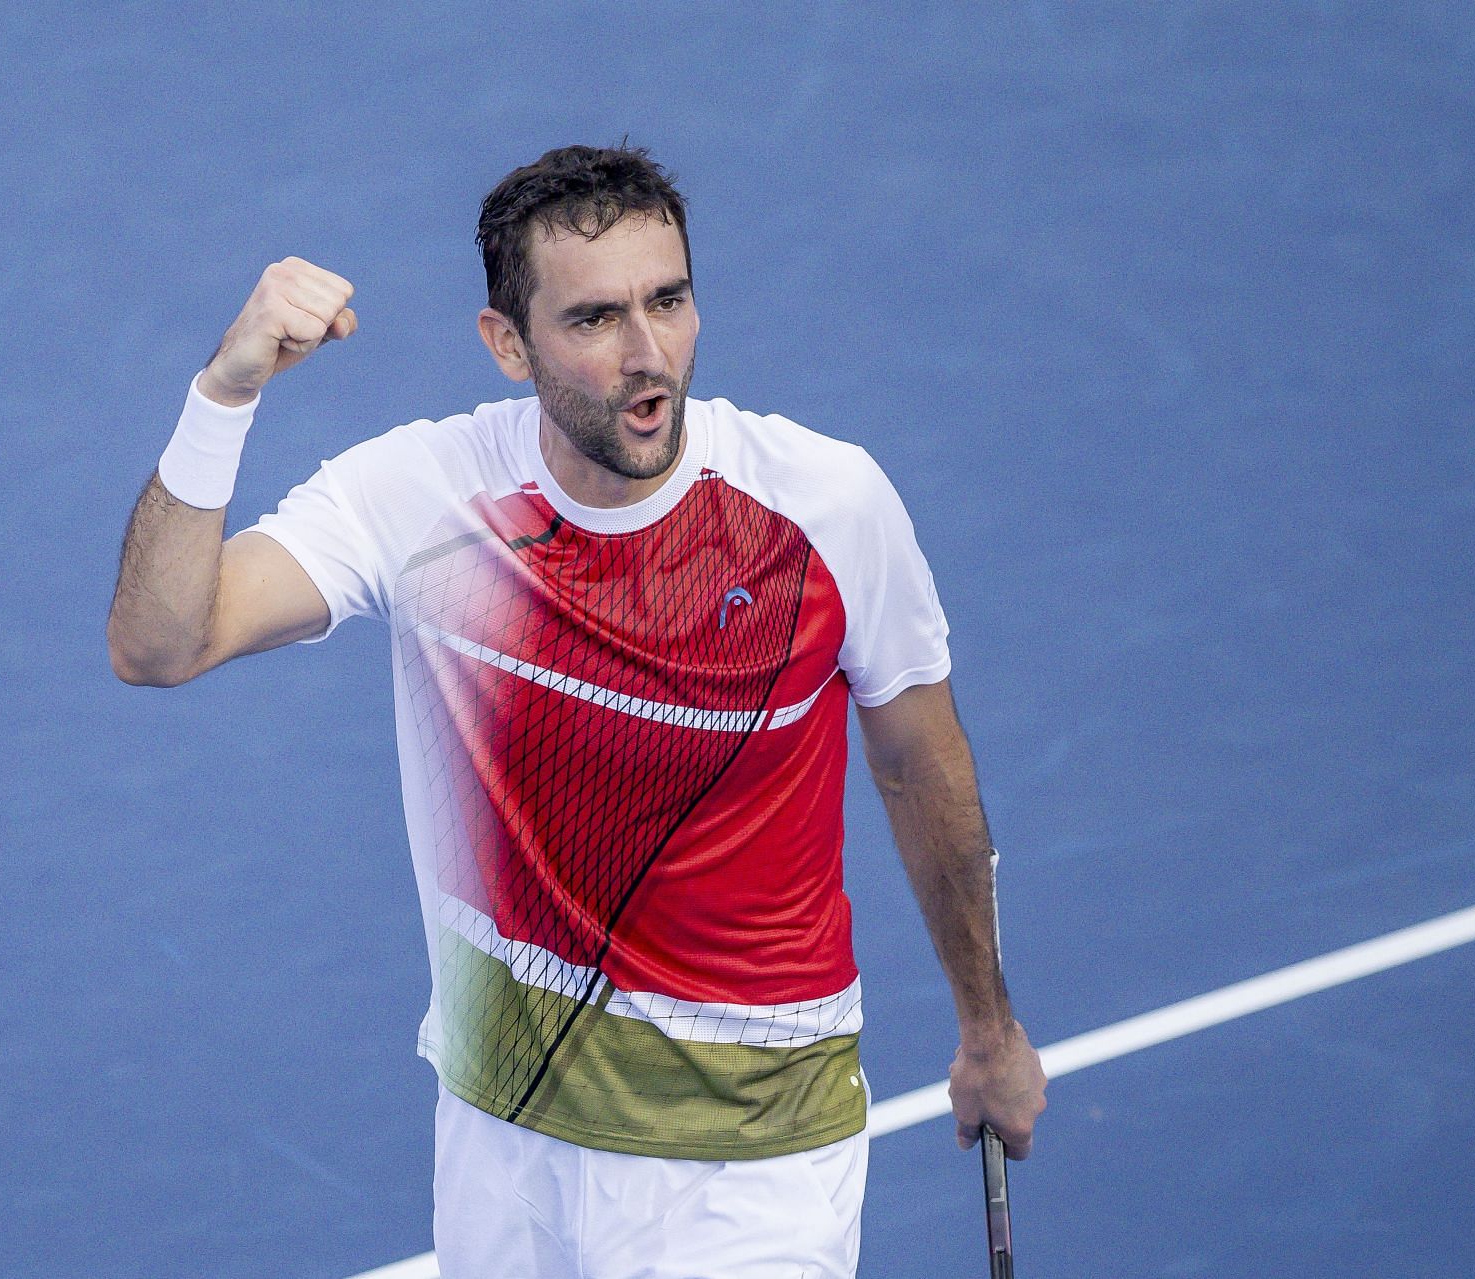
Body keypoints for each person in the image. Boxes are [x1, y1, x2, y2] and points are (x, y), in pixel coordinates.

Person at [107, 143, 1045, 1277]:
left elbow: (918, 764)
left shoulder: (825, 508)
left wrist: (988, 1025)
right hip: (506, 1138)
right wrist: (226, 392)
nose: (648, 353)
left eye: (670, 299)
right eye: (595, 318)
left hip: (750, 1156)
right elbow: (159, 643)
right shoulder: (426, 498)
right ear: (508, 344)